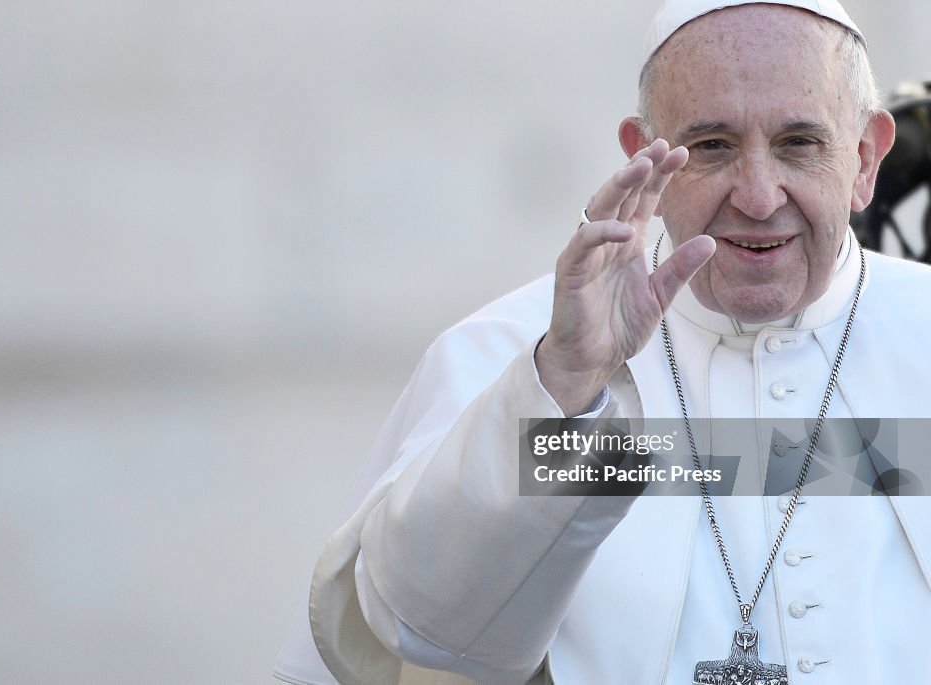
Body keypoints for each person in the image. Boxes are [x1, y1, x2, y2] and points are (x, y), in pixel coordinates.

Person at [274, 0, 931, 683]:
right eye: (711, 146)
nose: (759, 195)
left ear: (864, 158)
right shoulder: (518, 350)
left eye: (799, 143)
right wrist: (565, 386)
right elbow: (424, 628)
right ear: (643, 158)